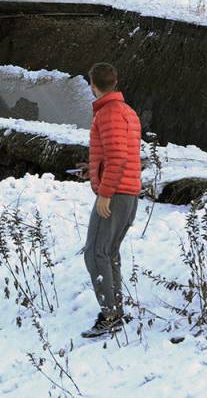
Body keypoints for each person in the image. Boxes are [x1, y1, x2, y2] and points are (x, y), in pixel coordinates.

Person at [79, 62, 142, 339]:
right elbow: (118, 154)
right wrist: (94, 170)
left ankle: (111, 315)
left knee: (95, 253)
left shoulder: (108, 114)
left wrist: (105, 193)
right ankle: (115, 311)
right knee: (109, 252)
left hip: (115, 194)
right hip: (127, 192)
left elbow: (118, 157)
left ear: (93, 84)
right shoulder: (127, 112)